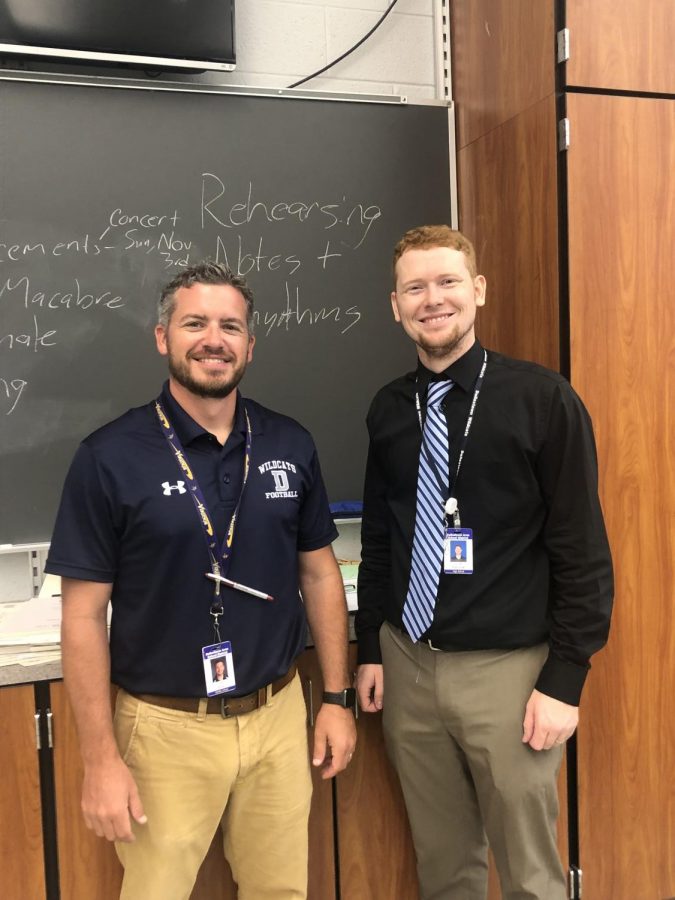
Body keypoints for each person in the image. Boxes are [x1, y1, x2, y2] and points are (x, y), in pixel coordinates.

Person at [46, 260, 356, 900]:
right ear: (163, 337)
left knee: (282, 893)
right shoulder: (108, 456)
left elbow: (320, 575)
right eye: (195, 323)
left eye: (230, 326)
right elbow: (81, 617)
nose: (214, 339)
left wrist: (335, 698)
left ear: (249, 344)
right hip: (163, 729)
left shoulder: (289, 443)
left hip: (277, 717)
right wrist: (100, 760)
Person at [355, 226, 613, 900]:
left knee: (529, 875)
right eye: (414, 287)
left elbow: (581, 547)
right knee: (444, 869)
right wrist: (371, 649)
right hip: (408, 664)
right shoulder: (387, 408)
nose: (430, 299)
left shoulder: (541, 399)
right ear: (395, 305)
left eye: (445, 282)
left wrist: (565, 679)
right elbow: (382, 538)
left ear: (477, 291)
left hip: (508, 673)